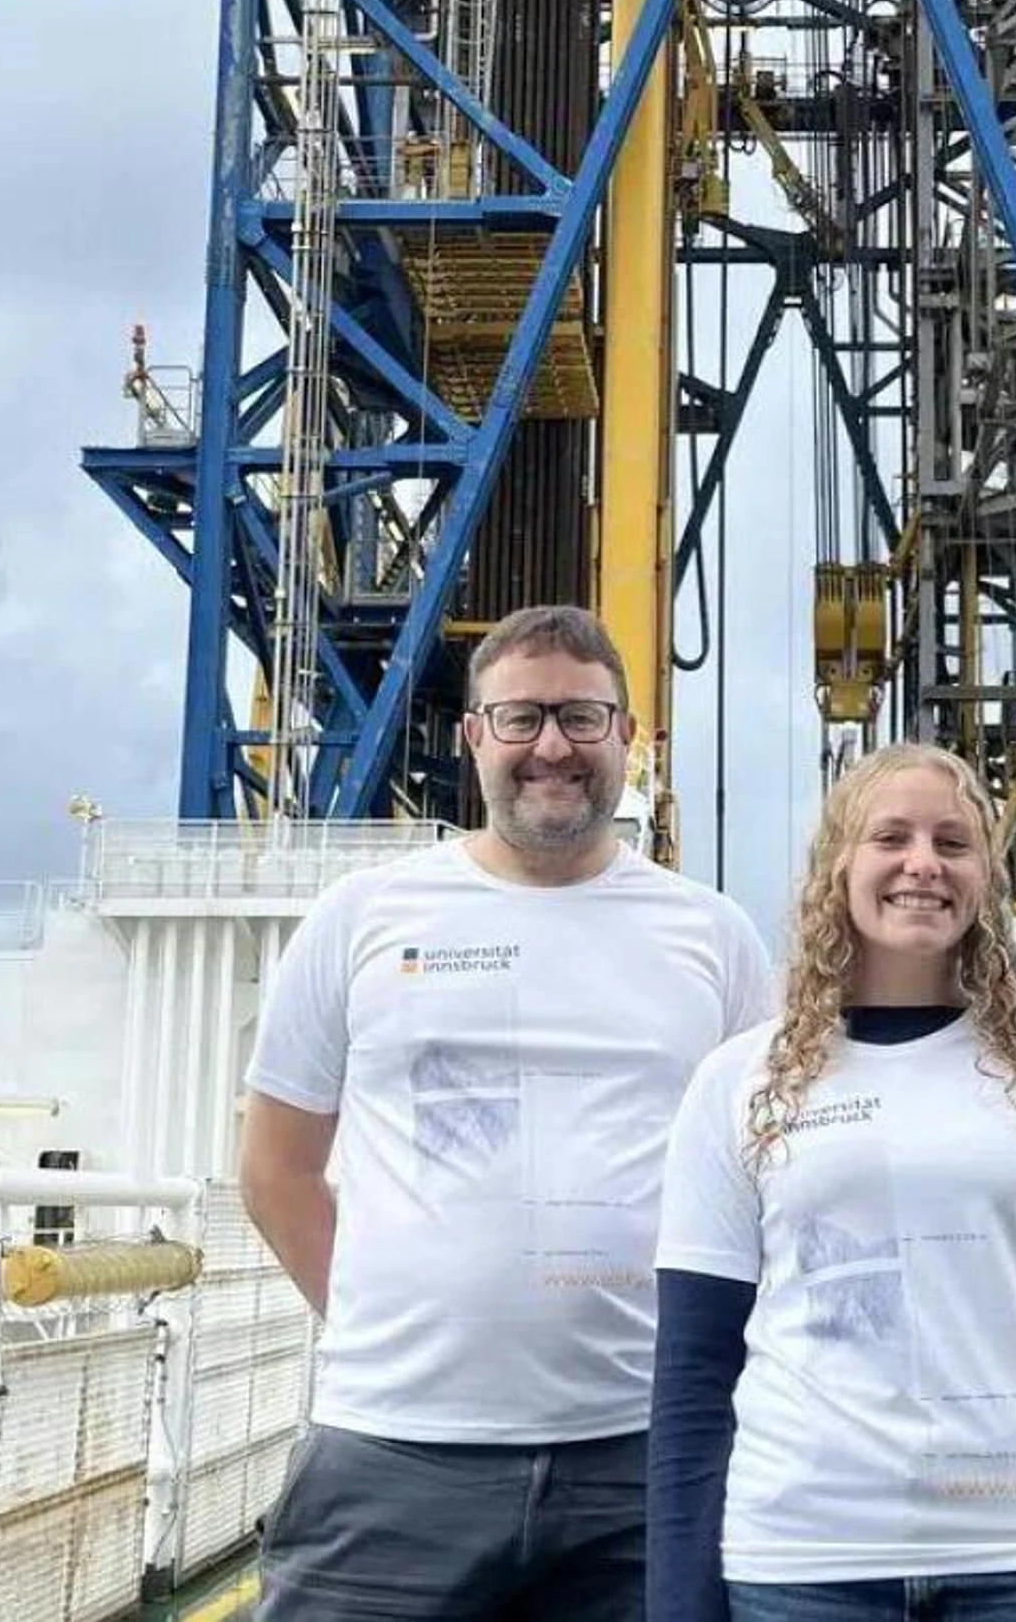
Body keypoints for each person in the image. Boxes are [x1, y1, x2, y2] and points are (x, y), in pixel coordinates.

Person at [240, 605, 776, 1622]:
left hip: (641, 1456)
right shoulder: (363, 917)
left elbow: (761, 1179)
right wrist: (389, 1326)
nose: (551, 746)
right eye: (520, 716)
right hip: (392, 1454)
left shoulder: (713, 936)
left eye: (582, 716)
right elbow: (275, 1169)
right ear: (472, 735)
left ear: (628, 735)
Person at [649, 742, 1016, 1622]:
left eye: (953, 842)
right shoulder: (736, 1082)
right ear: (838, 864)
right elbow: (693, 1369)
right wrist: (678, 1597)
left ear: (987, 870)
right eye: (890, 837)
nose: (922, 864)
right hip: (804, 1563)